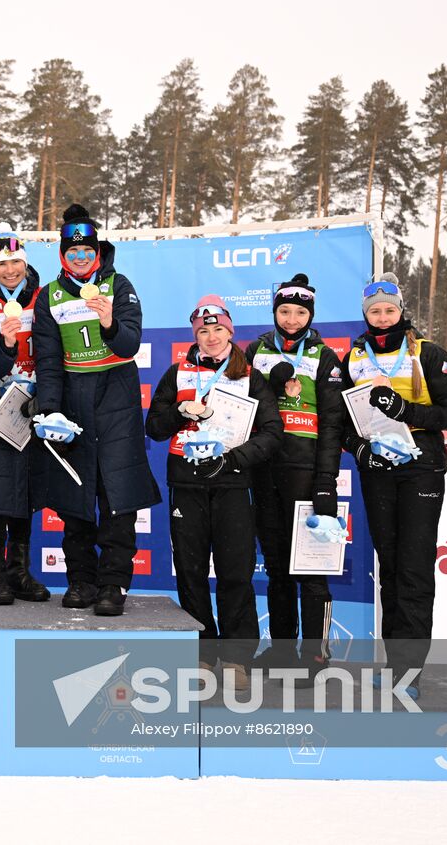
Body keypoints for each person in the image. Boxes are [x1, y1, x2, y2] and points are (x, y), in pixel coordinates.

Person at [28, 203, 160, 616]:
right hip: (73, 399)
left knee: (118, 495)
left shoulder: (119, 285)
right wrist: (51, 409)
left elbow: (130, 344)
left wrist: (109, 323)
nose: (81, 257)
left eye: (88, 251)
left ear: (98, 252)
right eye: (73, 251)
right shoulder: (49, 295)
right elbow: (49, 360)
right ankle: (81, 581)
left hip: (116, 397)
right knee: (76, 495)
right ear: (62, 255)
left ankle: (113, 583)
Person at [147, 295, 283, 690]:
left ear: (230, 332)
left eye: (218, 329)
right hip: (187, 483)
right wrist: (179, 413)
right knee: (190, 571)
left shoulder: (248, 375)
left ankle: (237, 658)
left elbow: (273, 433)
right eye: (203, 331)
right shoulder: (177, 373)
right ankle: (201, 654)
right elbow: (154, 427)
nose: (211, 337)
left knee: (235, 570)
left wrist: (234, 460)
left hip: (231, 483)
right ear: (195, 335)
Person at [341, 274, 447, 699]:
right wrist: (361, 451)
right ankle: (395, 665)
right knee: (390, 567)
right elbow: (342, 421)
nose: (382, 317)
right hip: (379, 469)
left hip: (420, 467)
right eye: (374, 311)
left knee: (413, 568)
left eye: (389, 310)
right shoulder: (354, 358)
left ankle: (409, 672)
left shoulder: (427, 353)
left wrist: (405, 410)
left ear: (400, 311)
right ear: (365, 314)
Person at [244, 273, 345, 682]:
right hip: (264, 469)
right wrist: (269, 383)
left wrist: (325, 483)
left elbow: (333, 425)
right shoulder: (255, 350)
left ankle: (317, 656)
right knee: (276, 566)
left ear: (310, 315)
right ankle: (283, 651)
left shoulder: (326, 357)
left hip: (304, 472)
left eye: (299, 313)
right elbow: (242, 402)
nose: (291, 319)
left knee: (311, 567)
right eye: (284, 311)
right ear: (275, 312)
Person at [0, 223, 50, 604]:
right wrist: (4, 344)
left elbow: (54, 352)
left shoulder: (43, 298)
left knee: (27, 490)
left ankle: (19, 571)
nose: (10, 270)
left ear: (25, 263)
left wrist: (47, 398)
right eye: (2, 264)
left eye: (16, 262)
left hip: (34, 409)